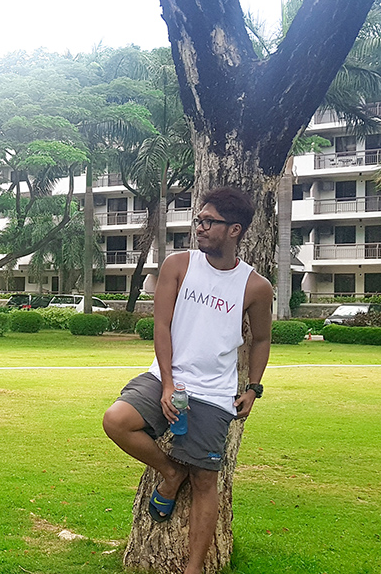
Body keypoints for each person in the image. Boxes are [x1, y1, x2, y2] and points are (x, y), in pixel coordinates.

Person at [102, 187, 273, 574]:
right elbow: (161, 326)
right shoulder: (178, 265)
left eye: (209, 221)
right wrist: (167, 384)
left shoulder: (255, 286)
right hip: (165, 377)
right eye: (199, 220)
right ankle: (169, 471)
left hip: (213, 395)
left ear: (234, 230)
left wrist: (253, 388)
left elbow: (262, 339)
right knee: (116, 420)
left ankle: (193, 568)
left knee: (205, 480)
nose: (200, 227)